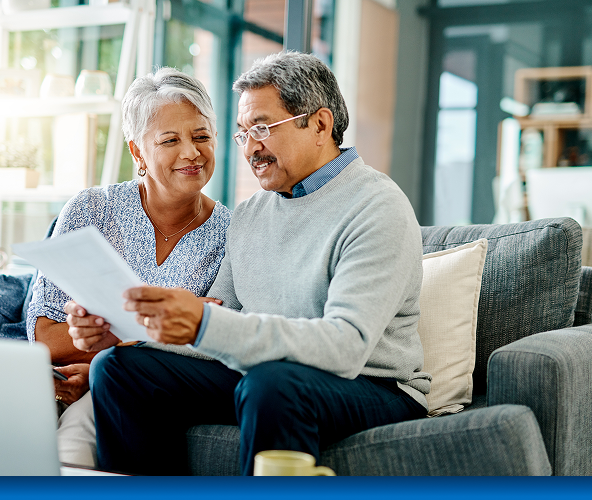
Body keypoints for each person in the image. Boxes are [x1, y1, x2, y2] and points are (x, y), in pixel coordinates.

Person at [69, 51, 431, 476]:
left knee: (272, 384)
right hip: (270, 375)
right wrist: (126, 329)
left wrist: (205, 323)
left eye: (262, 128)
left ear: (319, 124)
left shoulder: (376, 206)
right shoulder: (251, 212)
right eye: (242, 134)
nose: (251, 148)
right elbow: (219, 314)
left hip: (371, 384)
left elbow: (346, 346)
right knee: (119, 370)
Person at [25, 67, 231, 467]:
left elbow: (210, 344)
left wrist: (103, 361)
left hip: (141, 390)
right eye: (170, 140)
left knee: (73, 448)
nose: (191, 152)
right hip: (59, 382)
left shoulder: (232, 234)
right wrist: (120, 348)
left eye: (201, 136)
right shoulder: (91, 210)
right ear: (137, 152)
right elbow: (45, 338)